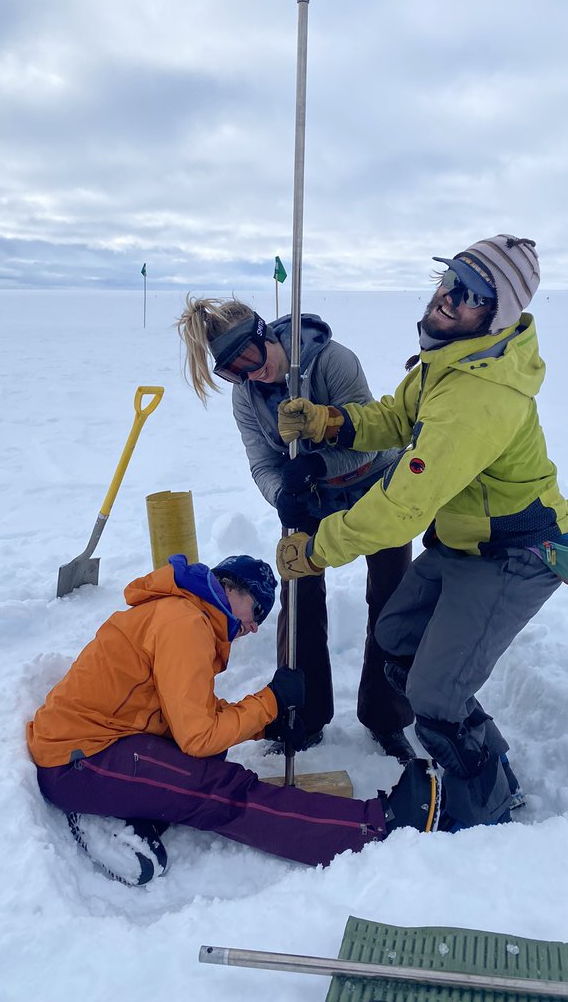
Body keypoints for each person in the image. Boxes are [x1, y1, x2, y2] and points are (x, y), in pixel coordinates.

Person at [274, 235, 568, 831]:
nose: (449, 297)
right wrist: (332, 421)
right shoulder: (450, 360)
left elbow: (402, 509)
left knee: (435, 694)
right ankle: (454, 727)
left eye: (473, 294)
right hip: (464, 542)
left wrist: (318, 550)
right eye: (450, 278)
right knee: (395, 638)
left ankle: (487, 801)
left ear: (494, 315)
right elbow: (397, 417)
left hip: (516, 553)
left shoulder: (478, 397)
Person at [27, 553, 440, 885]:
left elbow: (188, 716)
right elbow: (199, 736)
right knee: (224, 791)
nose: (255, 626)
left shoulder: (183, 615)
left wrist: (269, 719)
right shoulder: (184, 624)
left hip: (102, 744)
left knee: (208, 762)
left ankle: (124, 815)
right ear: (227, 587)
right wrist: (270, 699)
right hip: (80, 761)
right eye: (256, 608)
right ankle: (373, 824)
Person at [176, 298, 415, 763]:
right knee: (299, 597)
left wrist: (318, 461)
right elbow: (261, 463)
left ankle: (387, 717)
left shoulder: (332, 361)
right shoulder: (246, 397)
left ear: (264, 333)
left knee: (393, 599)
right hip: (310, 499)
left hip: (376, 486)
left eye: (250, 358)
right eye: (233, 372)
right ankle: (304, 713)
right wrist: (281, 495)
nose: (249, 374)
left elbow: (373, 439)